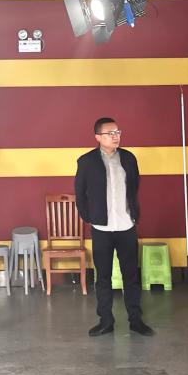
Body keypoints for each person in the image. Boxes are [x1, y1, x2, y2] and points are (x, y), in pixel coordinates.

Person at [74, 117, 154, 337]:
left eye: (118, 132)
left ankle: (136, 320)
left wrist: (134, 214)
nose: (115, 136)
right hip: (102, 229)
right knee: (103, 278)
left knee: (131, 276)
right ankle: (106, 321)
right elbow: (80, 194)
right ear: (98, 137)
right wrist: (89, 217)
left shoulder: (128, 158)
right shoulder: (86, 161)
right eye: (110, 133)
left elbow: (134, 187)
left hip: (126, 226)